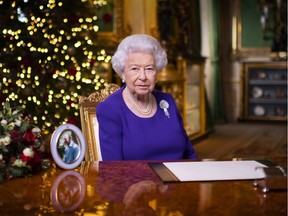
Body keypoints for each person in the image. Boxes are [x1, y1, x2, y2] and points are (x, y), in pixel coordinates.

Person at [96, 34, 198, 160]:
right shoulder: (110, 109)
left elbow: (189, 153)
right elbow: (113, 169)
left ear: (157, 73)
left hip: (178, 177)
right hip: (137, 179)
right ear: (123, 72)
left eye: (149, 69)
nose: (143, 77)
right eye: (134, 69)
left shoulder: (167, 101)